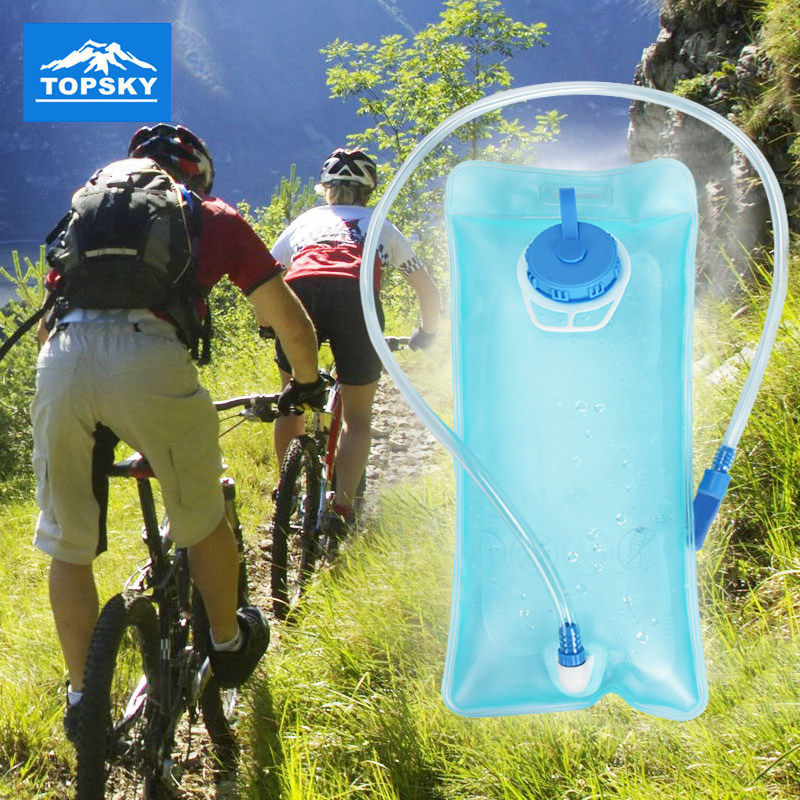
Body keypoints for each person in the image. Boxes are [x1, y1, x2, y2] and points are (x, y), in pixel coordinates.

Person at [32, 123, 325, 741]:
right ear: (197, 177)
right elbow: (290, 323)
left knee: (68, 543)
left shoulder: (90, 217)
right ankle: (227, 642)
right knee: (203, 511)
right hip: (150, 360)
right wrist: (305, 383)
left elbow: (48, 324)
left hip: (62, 363)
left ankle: (83, 700)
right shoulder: (210, 215)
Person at [270, 147, 439, 535]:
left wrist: (269, 323)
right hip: (356, 300)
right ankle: (342, 506)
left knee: (291, 400)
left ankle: (286, 490)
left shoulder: (305, 221)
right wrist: (427, 333)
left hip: (301, 295)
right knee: (358, 418)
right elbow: (427, 290)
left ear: (325, 188)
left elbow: (267, 273)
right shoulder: (381, 225)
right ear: (369, 190)